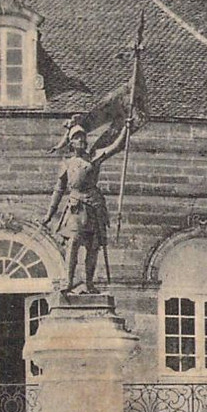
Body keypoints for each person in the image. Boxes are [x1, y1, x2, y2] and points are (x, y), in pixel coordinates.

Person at [42, 120, 129, 293]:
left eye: (83, 137)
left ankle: (89, 283)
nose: (81, 140)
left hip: (94, 206)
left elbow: (116, 147)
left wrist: (126, 128)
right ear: (71, 143)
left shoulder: (94, 157)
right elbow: (58, 190)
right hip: (75, 206)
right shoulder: (66, 164)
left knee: (93, 246)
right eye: (76, 138)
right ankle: (68, 280)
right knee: (73, 241)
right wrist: (49, 214)